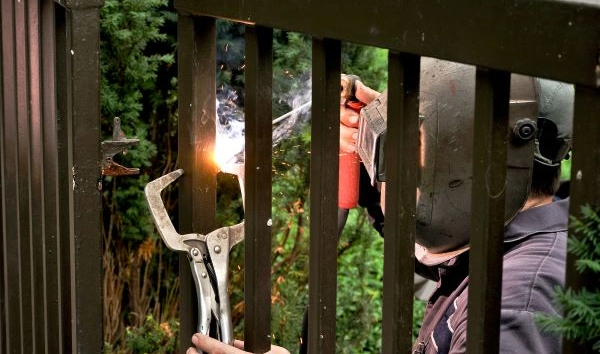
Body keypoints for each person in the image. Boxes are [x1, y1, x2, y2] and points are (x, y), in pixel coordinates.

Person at [189, 58, 574, 354]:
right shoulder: (499, 246)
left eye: (408, 144)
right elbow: (428, 250)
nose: (380, 163)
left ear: (468, 159)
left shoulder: (518, 303)